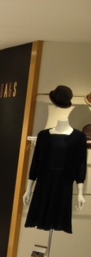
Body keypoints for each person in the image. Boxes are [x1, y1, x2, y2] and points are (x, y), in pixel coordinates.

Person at [23, 85, 86, 232]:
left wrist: (80, 193)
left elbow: (81, 166)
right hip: (44, 183)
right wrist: (28, 189)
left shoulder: (78, 137)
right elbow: (35, 163)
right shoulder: (43, 136)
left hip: (64, 186)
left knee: (58, 218)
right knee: (43, 217)